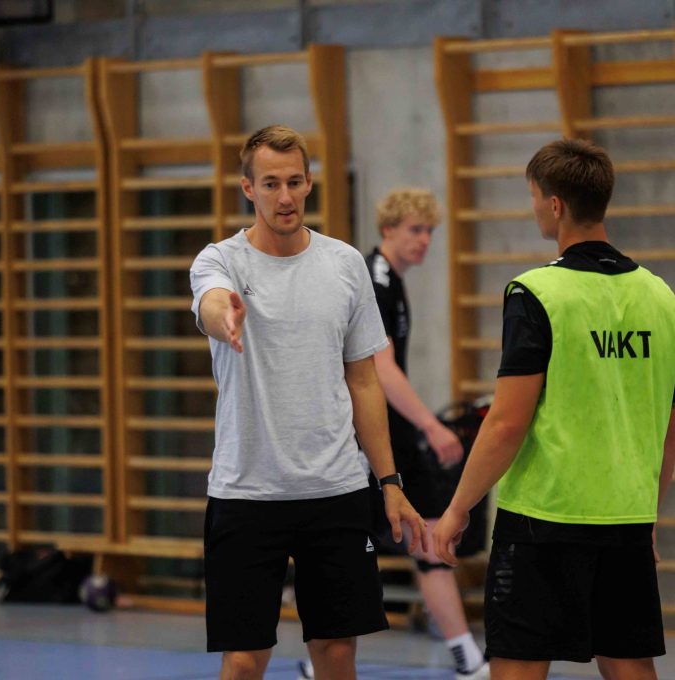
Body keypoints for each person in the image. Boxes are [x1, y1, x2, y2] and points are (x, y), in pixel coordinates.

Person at [189, 124, 426, 680]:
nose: (285, 196)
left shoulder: (344, 263)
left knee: (337, 653)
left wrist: (389, 483)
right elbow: (210, 302)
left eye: (294, 182)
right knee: (243, 660)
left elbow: (364, 380)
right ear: (248, 188)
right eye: (271, 184)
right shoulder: (219, 260)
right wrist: (225, 316)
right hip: (246, 492)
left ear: (309, 182)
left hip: (335, 490)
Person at [433, 138, 675, 680]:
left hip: (543, 519)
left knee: (519, 664)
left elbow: (507, 422)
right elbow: (670, 425)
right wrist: (647, 511)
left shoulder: (536, 293)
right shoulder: (662, 298)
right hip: (626, 518)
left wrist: (458, 508)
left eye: (533, 196)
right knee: (629, 663)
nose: (534, 207)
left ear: (555, 204)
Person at [366, 188, 489, 680]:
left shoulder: (393, 280)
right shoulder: (375, 280)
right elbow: (381, 369)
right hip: (371, 437)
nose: (424, 240)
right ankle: (323, 659)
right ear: (388, 230)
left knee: (431, 535)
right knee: (360, 546)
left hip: (392, 433)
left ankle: (465, 655)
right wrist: (431, 425)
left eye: (430, 231)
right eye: (415, 230)